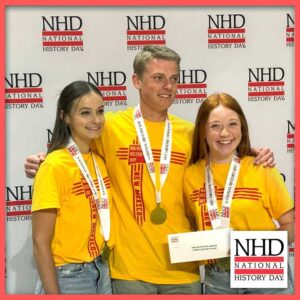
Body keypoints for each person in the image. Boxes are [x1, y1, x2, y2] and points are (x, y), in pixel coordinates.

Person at [25, 45, 275, 294]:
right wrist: (41, 160)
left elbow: (225, 155)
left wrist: (255, 154)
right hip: (128, 272)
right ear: (136, 81)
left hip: (182, 269)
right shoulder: (108, 126)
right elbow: (75, 152)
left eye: (173, 79)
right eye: (158, 78)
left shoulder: (191, 133)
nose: (168, 86)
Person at [183, 92, 294, 295]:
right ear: (202, 132)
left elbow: (291, 226)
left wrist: (250, 248)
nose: (225, 133)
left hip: (263, 270)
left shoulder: (262, 167)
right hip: (218, 278)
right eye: (215, 126)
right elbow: (192, 225)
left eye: (232, 124)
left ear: (242, 127)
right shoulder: (191, 175)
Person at [31, 81, 113, 294]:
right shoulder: (54, 165)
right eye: (85, 113)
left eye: (100, 111)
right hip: (68, 275)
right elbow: (40, 241)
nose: (95, 120)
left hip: (101, 270)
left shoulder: (99, 161)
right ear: (65, 117)